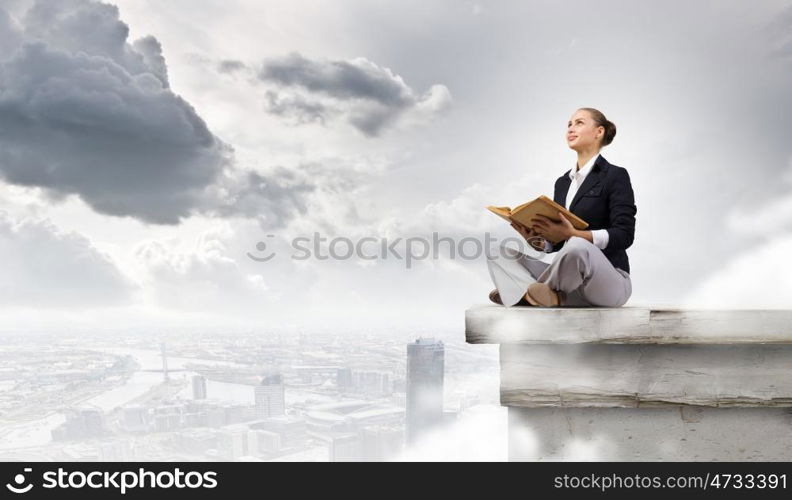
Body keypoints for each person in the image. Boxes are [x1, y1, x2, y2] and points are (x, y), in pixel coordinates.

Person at [486, 108, 636, 307]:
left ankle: (521, 292)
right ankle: (544, 295)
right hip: (569, 284)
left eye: (579, 123)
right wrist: (536, 240)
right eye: (569, 124)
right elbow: (556, 245)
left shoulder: (615, 175)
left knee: (578, 245)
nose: (571, 129)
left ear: (599, 132)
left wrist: (573, 234)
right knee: (498, 252)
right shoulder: (563, 183)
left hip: (609, 283)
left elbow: (625, 235)